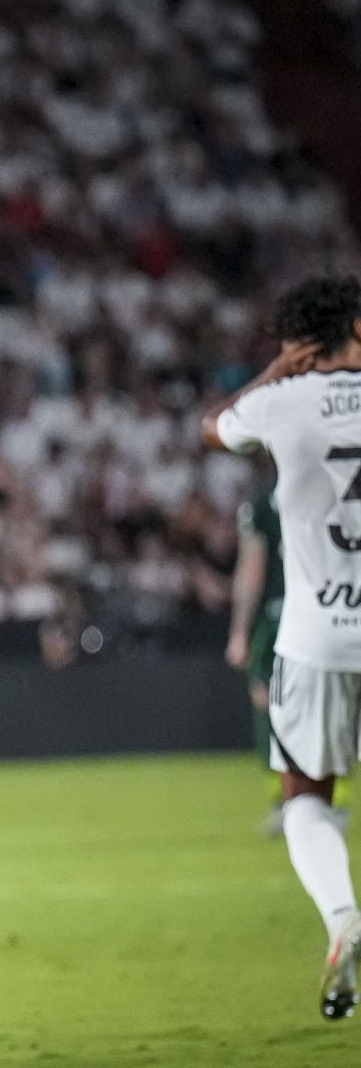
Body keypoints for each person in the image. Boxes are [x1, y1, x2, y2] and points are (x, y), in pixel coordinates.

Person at [204, 274, 361, 1021]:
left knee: (307, 798)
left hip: (317, 638)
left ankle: (341, 919)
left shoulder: (277, 402)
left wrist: (277, 370)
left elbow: (214, 429)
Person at [225, 472, 286, 833]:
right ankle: (331, 800)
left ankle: (284, 800)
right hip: (334, 611)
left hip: (277, 615)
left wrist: (239, 631)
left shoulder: (262, 501)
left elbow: (251, 569)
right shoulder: (333, 483)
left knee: (267, 703)